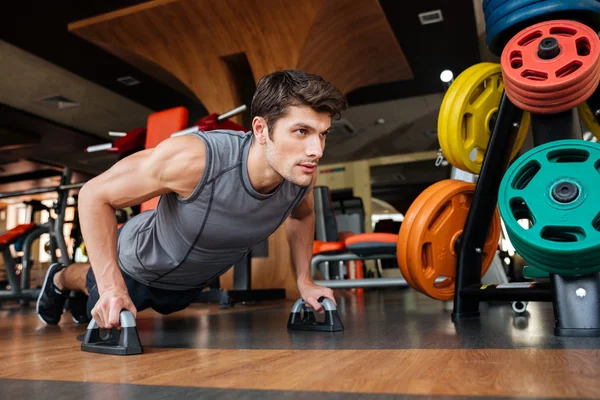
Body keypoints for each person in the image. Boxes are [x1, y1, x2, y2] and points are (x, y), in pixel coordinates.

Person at [36, 69, 348, 328]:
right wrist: (111, 287)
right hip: (137, 264)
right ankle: (60, 277)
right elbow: (93, 194)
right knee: (95, 283)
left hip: (187, 285)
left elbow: (302, 215)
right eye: (301, 131)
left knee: (164, 303)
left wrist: (305, 281)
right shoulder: (195, 158)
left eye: (323, 134)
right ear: (261, 129)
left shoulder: (300, 177)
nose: (316, 150)